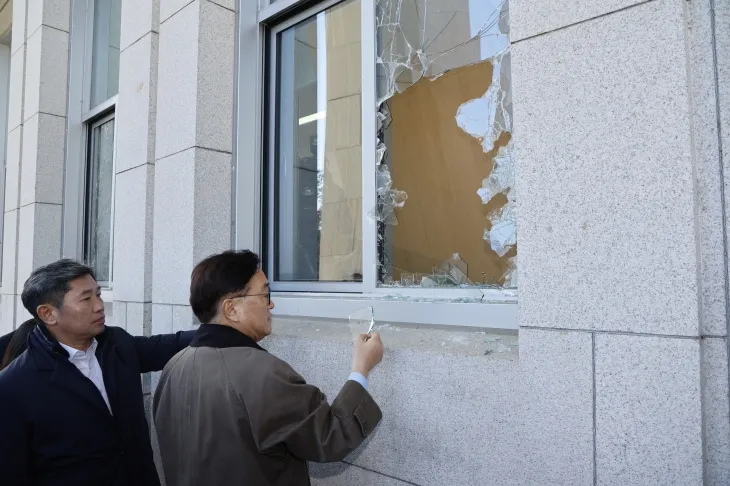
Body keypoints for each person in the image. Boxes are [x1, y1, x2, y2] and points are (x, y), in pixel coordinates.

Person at [153, 250, 384, 486]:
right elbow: (331, 437)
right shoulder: (263, 373)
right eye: (265, 294)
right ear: (231, 309)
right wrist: (361, 368)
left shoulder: (174, 367)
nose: (271, 304)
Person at [0, 259, 196, 486]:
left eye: (99, 294)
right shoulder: (14, 386)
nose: (99, 305)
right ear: (48, 314)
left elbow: (168, 345)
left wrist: (222, 329)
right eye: (86, 298)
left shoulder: (117, 345)